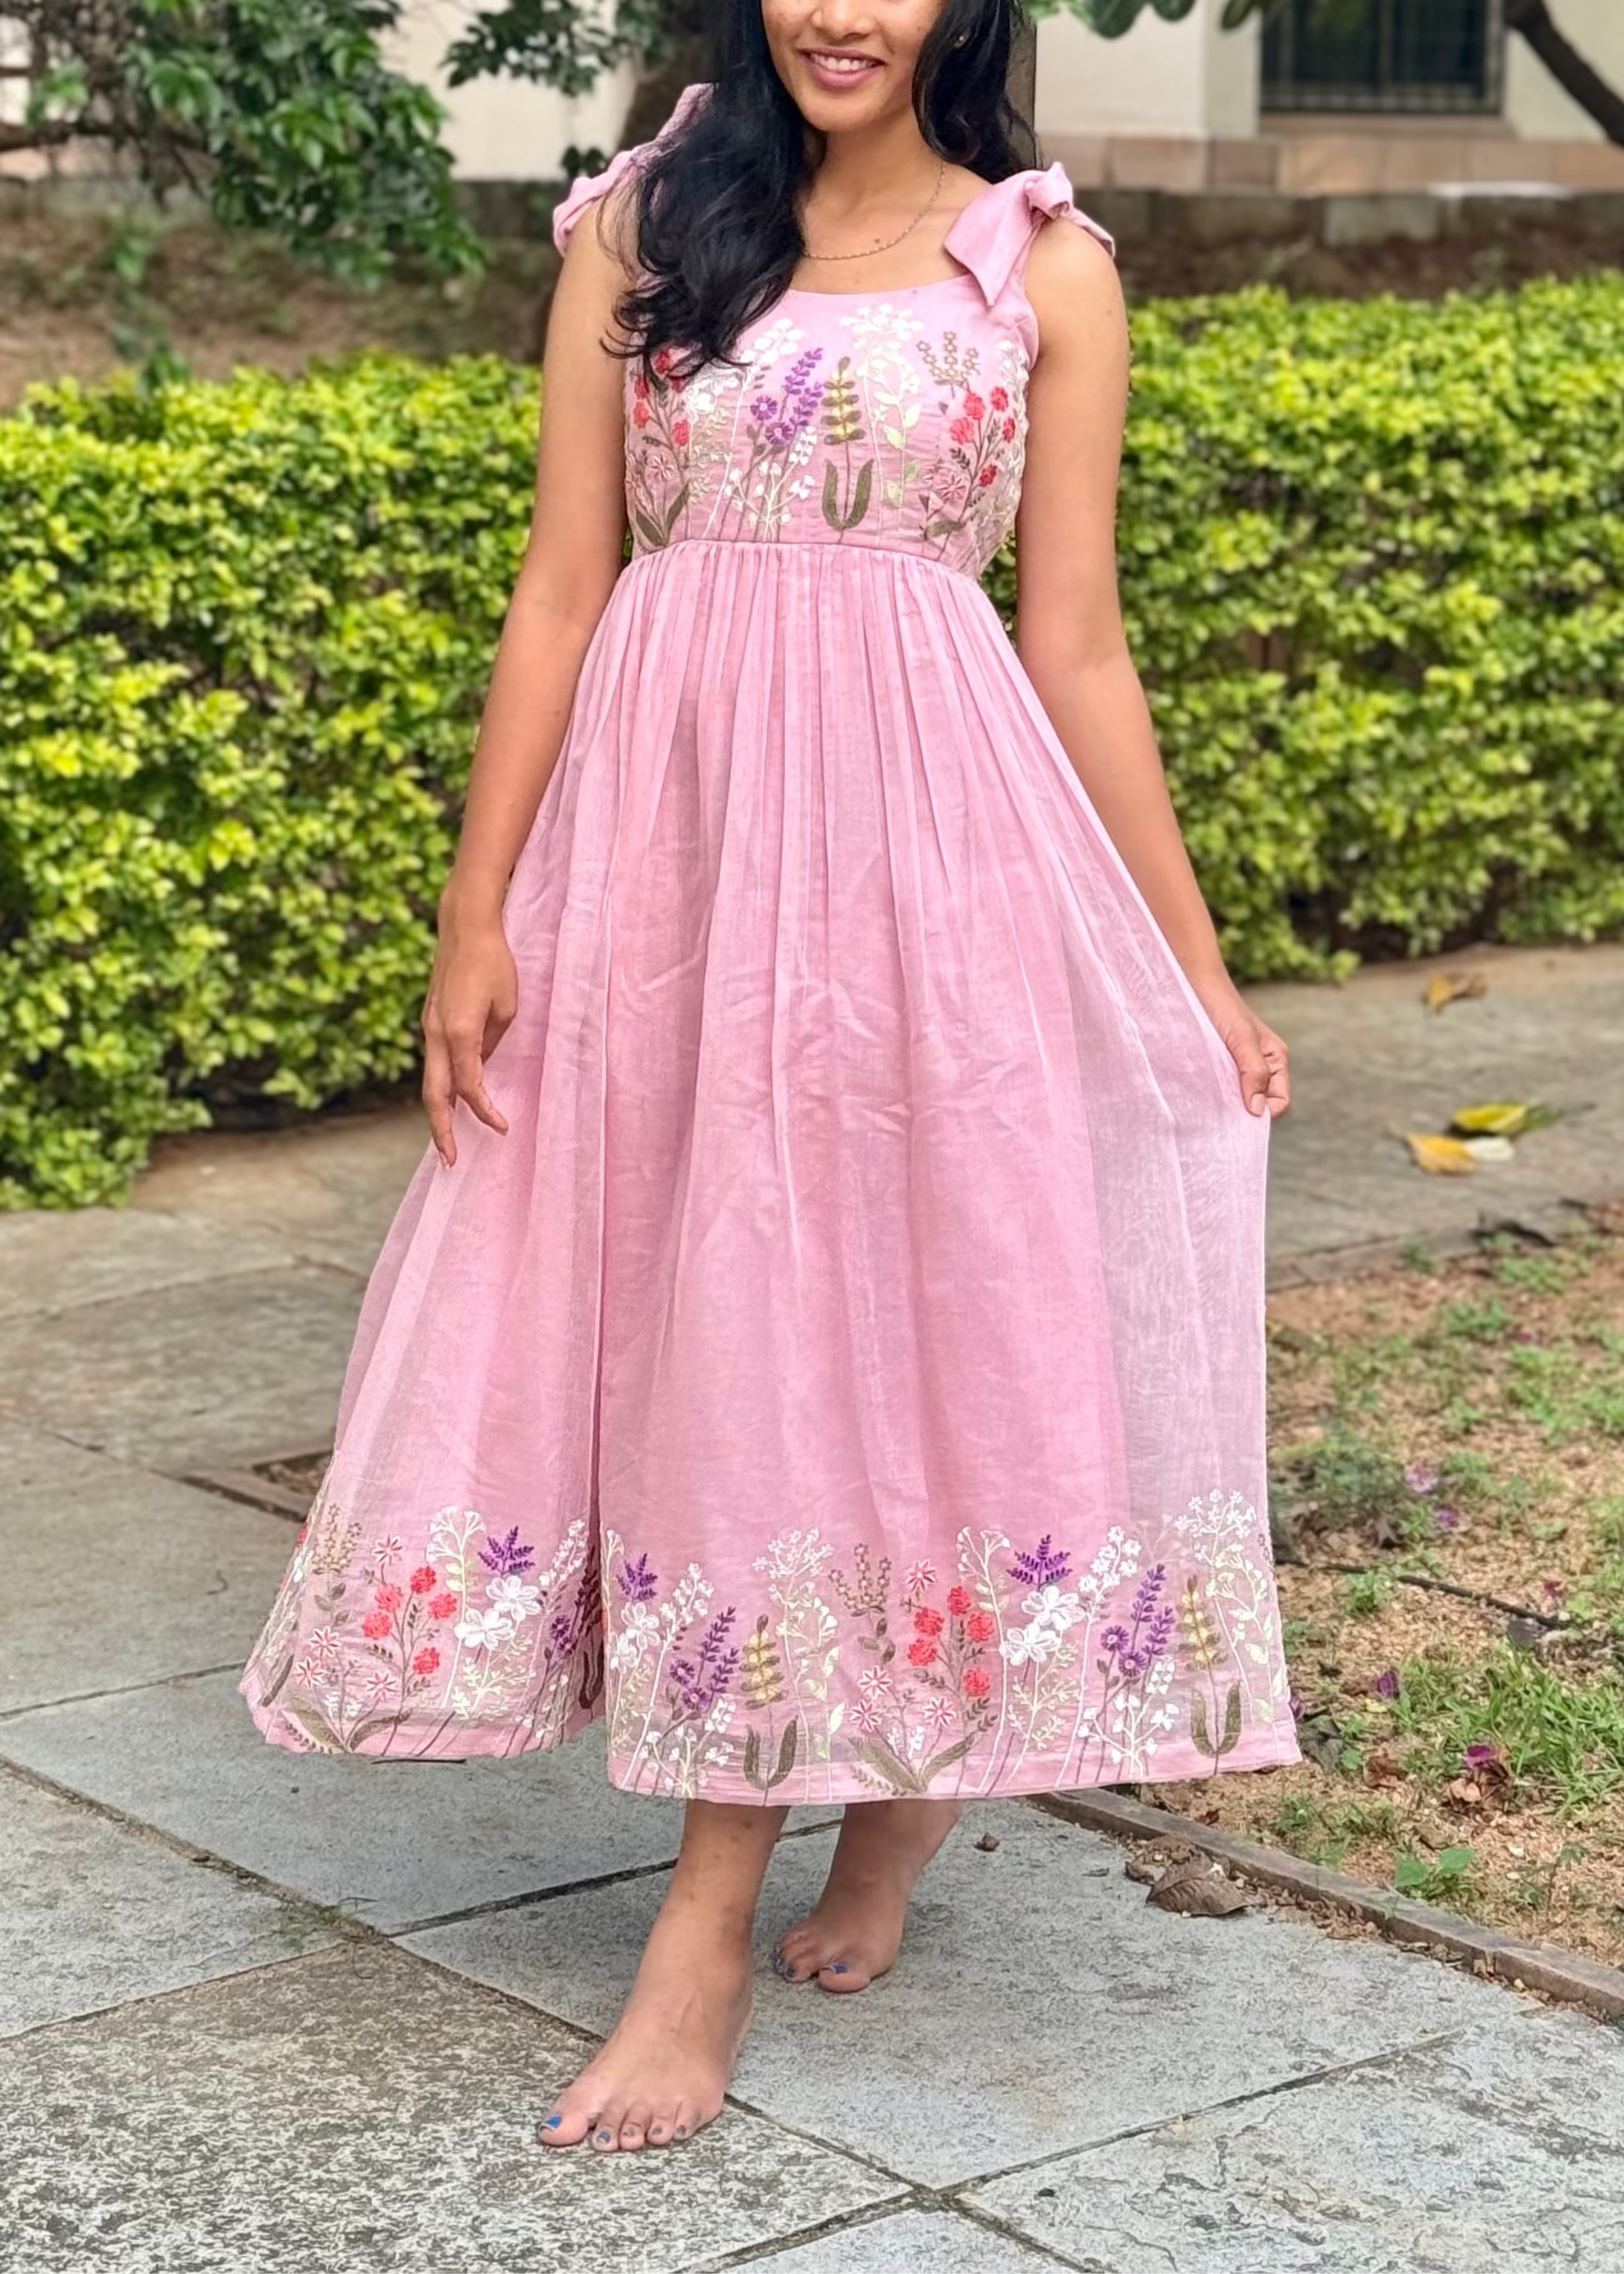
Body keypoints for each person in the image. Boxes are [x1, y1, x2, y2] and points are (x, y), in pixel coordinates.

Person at [239, 0, 1301, 2157]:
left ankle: (740, 1903)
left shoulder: (1047, 267)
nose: (846, 8)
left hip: (930, 856)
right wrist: (478, 914)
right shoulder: (638, 227)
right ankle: (847, 1801)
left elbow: (1072, 638)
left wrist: (1191, 972)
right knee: (726, 1322)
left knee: (896, 1305)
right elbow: (562, 586)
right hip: (675, 856)